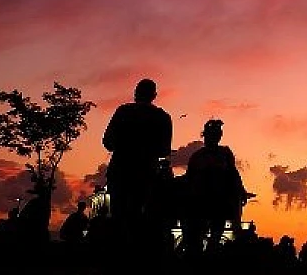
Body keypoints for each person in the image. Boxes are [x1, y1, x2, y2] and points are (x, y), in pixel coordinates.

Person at [102, 78, 173, 239]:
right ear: (154, 95)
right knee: (139, 217)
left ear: (136, 93)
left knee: (118, 216)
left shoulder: (123, 112)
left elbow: (107, 142)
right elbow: (164, 150)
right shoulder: (162, 117)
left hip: (120, 171)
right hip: (145, 174)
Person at [182, 119, 248, 256]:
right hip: (202, 200)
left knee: (215, 232)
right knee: (202, 233)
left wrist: (240, 190)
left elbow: (233, 173)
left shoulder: (223, 154)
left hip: (218, 200)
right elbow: (189, 179)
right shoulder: (198, 156)